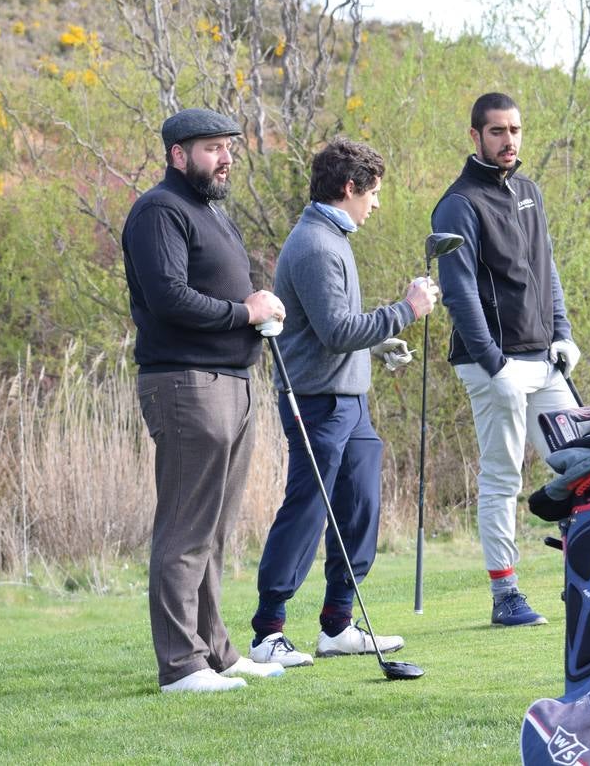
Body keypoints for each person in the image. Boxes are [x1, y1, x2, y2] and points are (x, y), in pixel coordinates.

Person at [245, 138, 439, 667]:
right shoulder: (314, 245)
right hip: (317, 403)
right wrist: (405, 310)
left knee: (358, 511)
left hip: (351, 403)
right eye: (372, 193)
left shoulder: (334, 239)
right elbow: (333, 331)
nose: (376, 204)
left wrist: (378, 344)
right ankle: (268, 633)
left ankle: (337, 625)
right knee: (308, 511)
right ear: (349, 188)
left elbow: (332, 329)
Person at [122, 107, 288, 693]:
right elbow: (168, 298)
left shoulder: (211, 211)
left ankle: (217, 652)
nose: (226, 158)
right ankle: (180, 666)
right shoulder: (159, 211)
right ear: (178, 154)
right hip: (186, 383)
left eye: (229, 147)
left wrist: (257, 298)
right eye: (213, 147)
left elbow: (217, 288)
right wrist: (245, 312)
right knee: (185, 529)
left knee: (215, 530)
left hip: (234, 383)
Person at [431, 92, 581, 627]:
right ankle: (506, 595)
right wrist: (494, 365)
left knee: (579, 464)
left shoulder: (529, 192)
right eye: (497, 131)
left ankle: (583, 576)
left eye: (515, 130)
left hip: (543, 359)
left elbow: (547, 270)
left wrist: (562, 333)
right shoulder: (458, 204)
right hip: (491, 364)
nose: (508, 140)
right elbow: (459, 293)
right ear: (475, 137)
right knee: (502, 476)